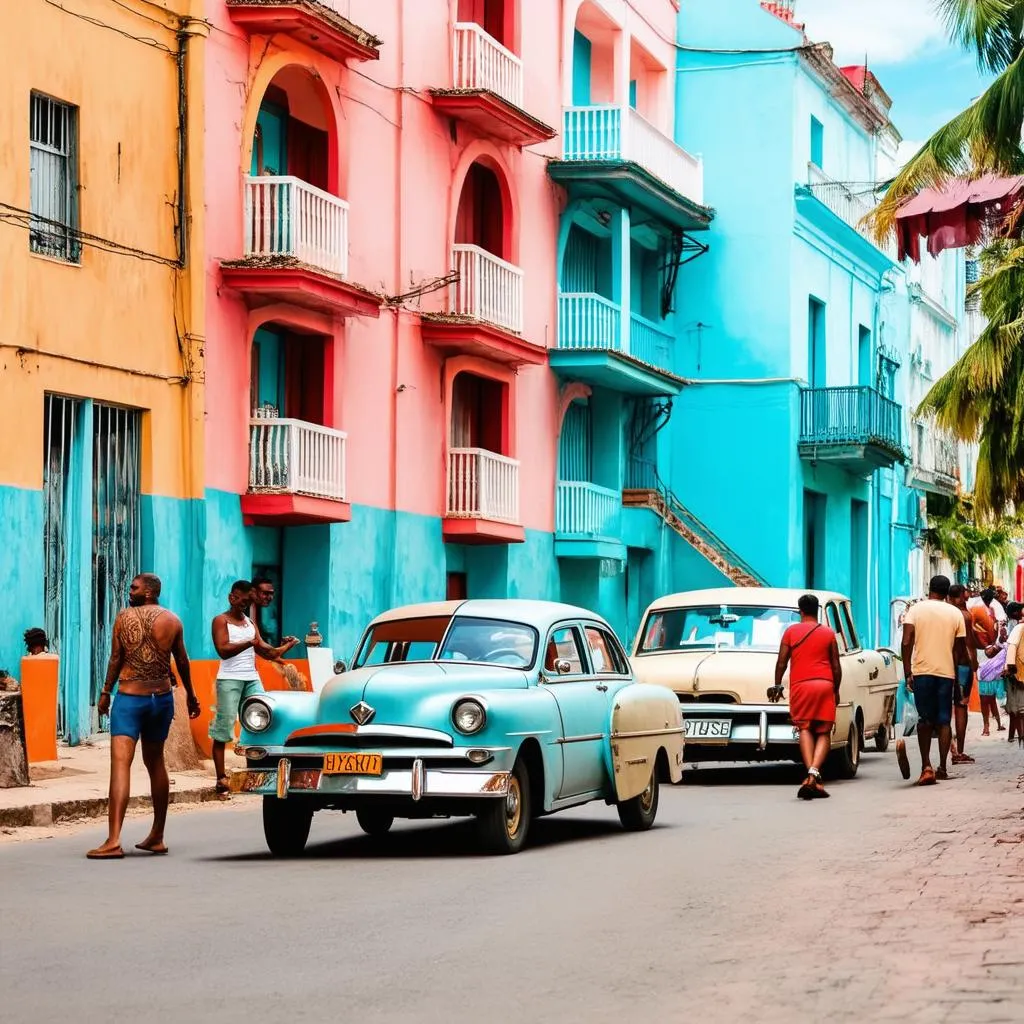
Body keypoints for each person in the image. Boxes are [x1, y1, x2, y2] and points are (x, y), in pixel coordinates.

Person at [88, 574, 200, 860]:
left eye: (134, 587)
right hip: (160, 700)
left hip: (130, 700)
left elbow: (116, 658)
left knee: (121, 765)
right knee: (156, 762)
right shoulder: (173, 620)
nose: (130, 591)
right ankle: (157, 836)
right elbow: (182, 661)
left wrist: (104, 692)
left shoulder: (124, 618)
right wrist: (191, 695)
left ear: (149, 592)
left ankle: (113, 840)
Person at [210, 580, 298, 794]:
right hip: (229, 679)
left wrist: (287, 645)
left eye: (249, 601)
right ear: (232, 598)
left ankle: (260, 770)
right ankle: (221, 778)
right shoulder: (221, 620)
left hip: (251, 678)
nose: (246, 604)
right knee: (223, 729)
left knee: (263, 719)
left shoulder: (250, 623)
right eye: (243, 600)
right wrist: (249, 644)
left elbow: (268, 652)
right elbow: (223, 649)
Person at [898, 575, 970, 785]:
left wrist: (907, 671)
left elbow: (906, 641)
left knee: (925, 720)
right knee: (944, 720)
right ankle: (942, 767)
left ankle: (925, 766)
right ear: (948, 593)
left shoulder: (916, 609)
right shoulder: (955, 613)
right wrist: (957, 679)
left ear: (930, 589)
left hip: (922, 671)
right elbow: (959, 651)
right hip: (946, 673)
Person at [775, 594, 842, 800]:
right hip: (824, 684)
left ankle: (810, 775)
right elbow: (836, 666)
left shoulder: (791, 632)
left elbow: (781, 662)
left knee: (804, 727)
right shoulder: (828, 633)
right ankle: (814, 774)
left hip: (801, 686)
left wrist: (777, 684)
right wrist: (835, 689)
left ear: (800, 610)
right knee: (823, 731)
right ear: (817, 610)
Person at [946, 584, 976, 765]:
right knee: (961, 706)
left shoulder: (943, 614)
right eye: (965, 596)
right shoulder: (964, 615)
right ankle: (960, 749)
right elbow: (969, 642)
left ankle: (952, 748)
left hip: (943, 663)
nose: (967, 599)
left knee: (945, 708)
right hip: (962, 664)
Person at [1001, 602, 1024, 744]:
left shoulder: (1018, 628)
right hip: (1018, 672)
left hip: (1018, 671)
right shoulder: (1019, 628)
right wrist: (1010, 666)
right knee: (1019, 708)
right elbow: (1011, 648)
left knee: (1019, 707)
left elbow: (1011, 647)